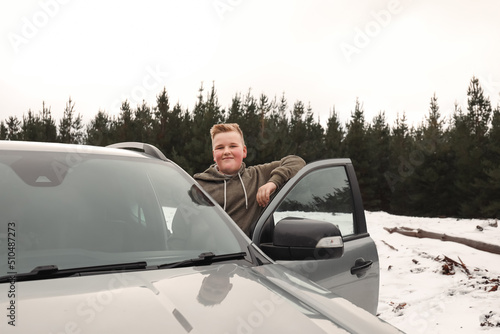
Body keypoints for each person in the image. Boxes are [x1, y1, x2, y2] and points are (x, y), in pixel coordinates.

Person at [194, 123, 306, 237]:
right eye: (220, 147)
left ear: (244, 151)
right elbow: (182, 229)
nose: (226, 151)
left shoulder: (258, 175)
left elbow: (297, 162)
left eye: (233, 146)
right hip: (209, 253)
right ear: (214, 155)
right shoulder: (199, 185)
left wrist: (273, 182)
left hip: (246, 254)